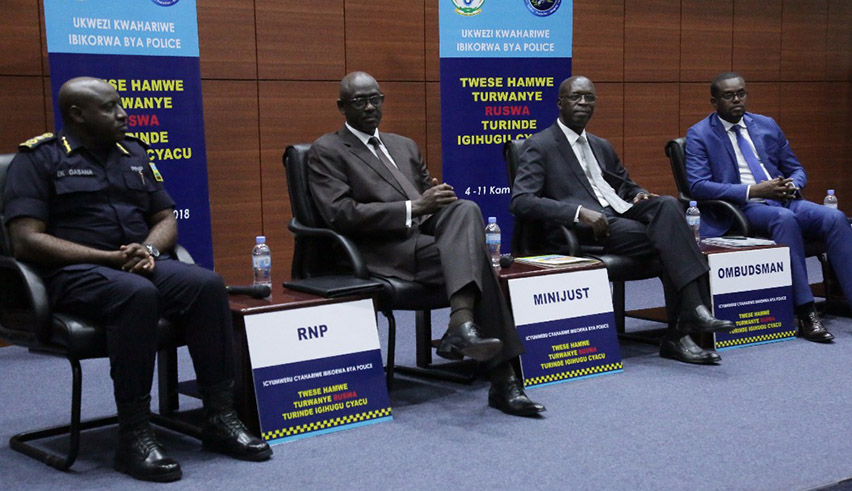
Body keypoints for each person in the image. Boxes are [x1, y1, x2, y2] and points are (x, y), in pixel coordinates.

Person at [2, 77, 271, 482]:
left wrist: (146, 250)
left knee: (207, 284)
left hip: (134, 262)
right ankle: (135, 434)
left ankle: (219, 416)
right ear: (77, 114)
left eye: (120, 105)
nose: (123, 113)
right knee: (136, 294)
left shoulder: (135, 154)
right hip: (71, 274)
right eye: (109, 107)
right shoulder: (39, 159)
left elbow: (164, 218)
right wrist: (108, 257)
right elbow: (25, 240)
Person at [307, 71, 544, 417]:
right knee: (476, 259)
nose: (371, 106)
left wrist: (437, 200)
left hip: (426, 242)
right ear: (342, 106)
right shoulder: (326, 150)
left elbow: (428, 203)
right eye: (360, 101)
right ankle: (503, 380)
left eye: (376, 98)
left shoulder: (404, 145)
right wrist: (415, 206)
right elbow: (339, 214)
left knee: (465, 208)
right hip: (379, 249)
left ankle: (461, 327)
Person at [511, 75, 736, 365]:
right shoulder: (539, 145)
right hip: (585, 228)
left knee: (667, 204)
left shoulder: (600, 145)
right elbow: (521, 201)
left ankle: (688, 322)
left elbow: (626, 185)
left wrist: (640, 194)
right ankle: (684, 328)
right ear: (560, 103)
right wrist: (578, 213)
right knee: (672, 241)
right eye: (575, 97)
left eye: (589, 98)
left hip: (620, 215)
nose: (583, 103)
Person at [685, 72, 852, 343]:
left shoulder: (766, 125)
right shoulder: (700, 134)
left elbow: (795, 167)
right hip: (742, 207)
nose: (737, 100)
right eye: (728, 96)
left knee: (835, 217)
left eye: (741, 93)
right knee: (784, 219)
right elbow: (698, 185)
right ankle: (806, 310)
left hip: (784, 198)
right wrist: (753, 190)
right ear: (714, 101)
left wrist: (794, 184)